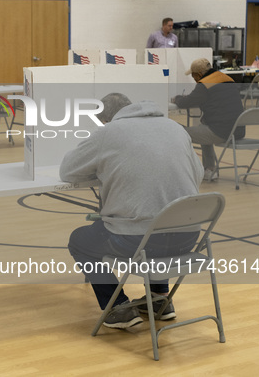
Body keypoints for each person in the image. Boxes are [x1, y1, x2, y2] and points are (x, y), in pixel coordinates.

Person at [60, 93, 204, 329]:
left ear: (106, 119)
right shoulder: (175, 128)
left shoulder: (109, 132)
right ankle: (159, 300)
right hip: (187, 237)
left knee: (80, 240)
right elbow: (198, 174)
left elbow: (68, 171)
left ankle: (117, 307)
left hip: (139, 242)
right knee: (162, 217)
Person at [172, 58, 244, 181]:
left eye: (194, 76)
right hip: (238, 131)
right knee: (203, 126)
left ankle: (184, 170)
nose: (194, 79)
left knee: (174, 129)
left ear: (199, 74)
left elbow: (186, 102)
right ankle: (209, 169)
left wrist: (177, 98)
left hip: (221, 132)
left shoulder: (204, 84)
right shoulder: (227, 78)